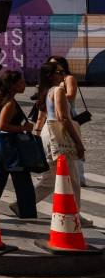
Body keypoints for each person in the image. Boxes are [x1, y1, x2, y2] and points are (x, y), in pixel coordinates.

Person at [34, 61, 89, 226]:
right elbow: (63, 118)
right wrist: (78, 143)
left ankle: (23, 204)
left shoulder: (47, 91)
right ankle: (75, 215)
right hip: (58, 134)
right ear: (52, 75)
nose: (63, 74)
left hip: (49, 132)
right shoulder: (58, 90)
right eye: (59, 72)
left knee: (51, 177)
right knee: (72, 178)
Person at [0, 70, 38, 219]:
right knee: (24, 184)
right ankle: (28, 215)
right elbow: (2, 125)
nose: (24, 85)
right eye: (21, 82)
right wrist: (24, 128)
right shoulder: (10, 103)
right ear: (12, 85)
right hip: (10, 147)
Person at [47, 56, 88, 186]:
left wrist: (55, 95)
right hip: (56, 116)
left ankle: (80, 178)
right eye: (51, 65)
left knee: (73, 145)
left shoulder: (68, 78)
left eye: (56, 65)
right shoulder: (52, 82)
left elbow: (71, 95)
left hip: (69, 115)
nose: (53, 67)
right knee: (60, 146)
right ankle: (53, 175)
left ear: (62, 66)